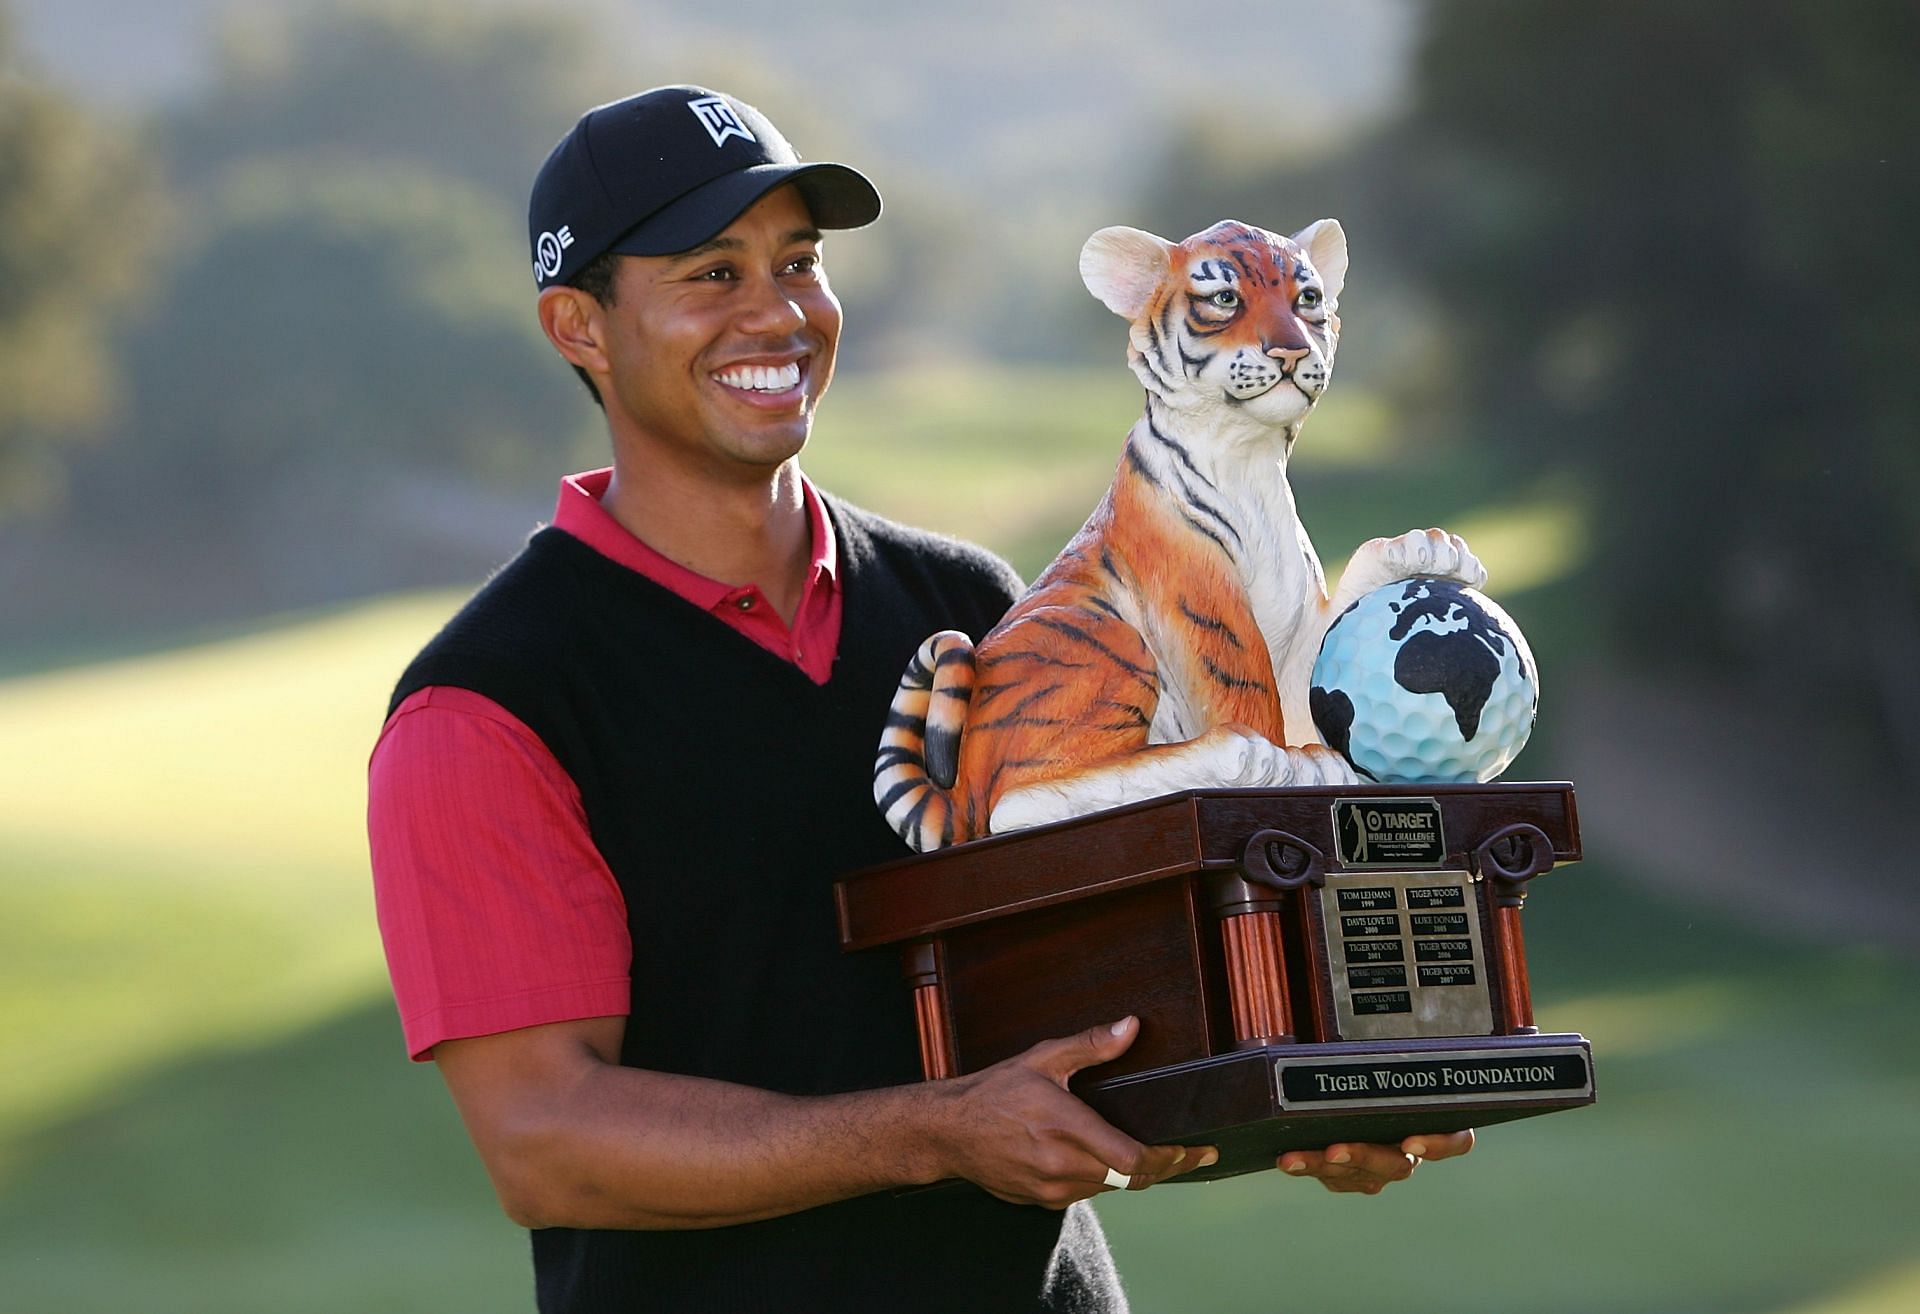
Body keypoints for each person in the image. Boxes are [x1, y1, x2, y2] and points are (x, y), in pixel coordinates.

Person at [367, 85, 1470, 1314]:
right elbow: (545, 1137)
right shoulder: (491, 704)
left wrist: (1316, 1088)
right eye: (711, 275)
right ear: (578, 324)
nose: (778, 313)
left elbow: (1126, 971)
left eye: (799, 263)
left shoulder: (968, 600)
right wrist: (934, 1133)